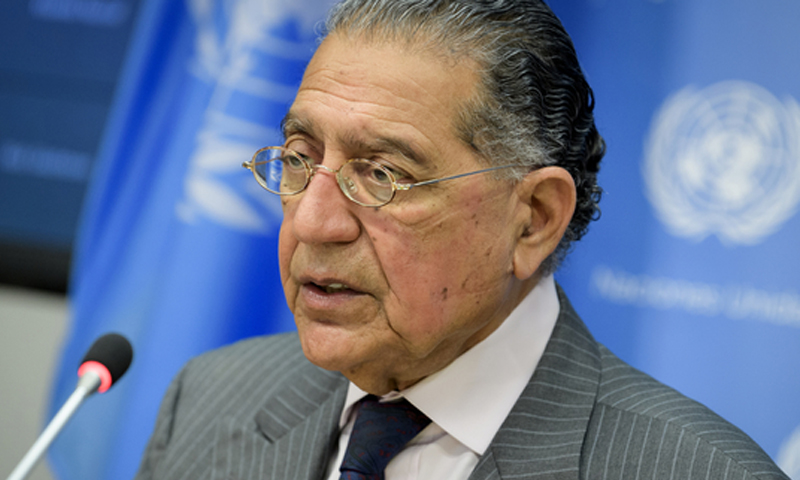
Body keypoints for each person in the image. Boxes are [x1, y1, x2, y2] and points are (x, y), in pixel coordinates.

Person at [134, 1, 788, 479]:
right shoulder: (209, 399)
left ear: (533, 218)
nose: (312, 222)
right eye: (300, 157)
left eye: (382, 174)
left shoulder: (696, 469)